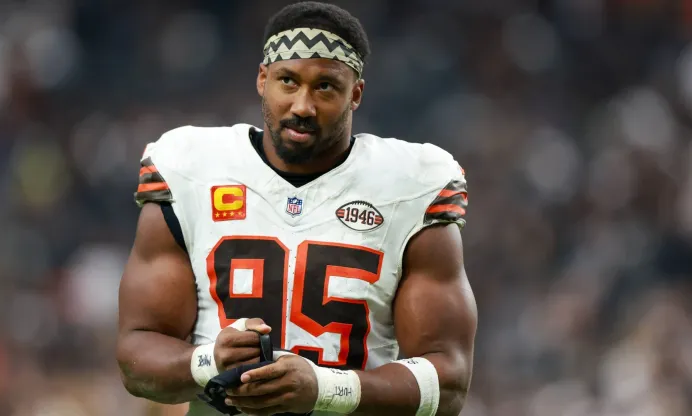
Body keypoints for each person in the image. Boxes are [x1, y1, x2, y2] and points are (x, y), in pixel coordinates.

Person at [116, 2, 477, 415]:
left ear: (355, 94)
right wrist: (207, 361)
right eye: (288, 81)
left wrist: (325, 388)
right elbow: (136, 354)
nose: (303, 106)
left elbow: (448, 381)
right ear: (262, 79)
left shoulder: (412, 185)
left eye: (325, 87)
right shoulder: (191, 169)